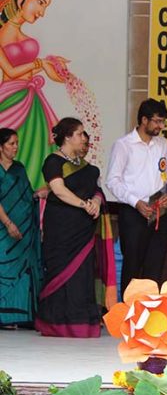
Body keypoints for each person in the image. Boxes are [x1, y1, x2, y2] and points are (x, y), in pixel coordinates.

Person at [35, 118, 103, 337]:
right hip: (61, 228)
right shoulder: (53, 162)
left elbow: (97, 190)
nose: (84, 137)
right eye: (80, 133)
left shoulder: (85, 166)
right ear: (67, 137)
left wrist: (96, 202)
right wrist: (85, 204)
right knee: (61, 271)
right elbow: (59, 190)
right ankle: (56, 323)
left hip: (83, 228)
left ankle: (82, 322)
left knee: (82, 275)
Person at [0, 0, 69, 190]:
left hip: (31, 100)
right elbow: (10, 72)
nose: (41, 12)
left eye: (45, 6)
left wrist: (49, 65)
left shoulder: (22, 33)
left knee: (38, 148)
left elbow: (27, 70)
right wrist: (40, 63)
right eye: (40, 3)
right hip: (10, 99)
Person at [106, 98, 167, 290]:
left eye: (163, 122)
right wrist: (135, 202)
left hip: (159, 213)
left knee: (155, 266)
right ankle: (130, 315)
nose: (160, 126)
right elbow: (112, 180)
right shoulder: (124, 145)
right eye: (157, 121)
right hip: (133, 213)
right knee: (132, 266)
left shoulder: (162, 144)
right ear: (144, 120)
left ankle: (149, 315)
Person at [0, 128, 42, 328]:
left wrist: (37, 195)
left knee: (22, 271)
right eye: (11, 144)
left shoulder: (19, 168)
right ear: (1, 147)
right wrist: (8, 224)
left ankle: (19, 316)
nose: (16, 147)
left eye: (17, 143)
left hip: (23, 230)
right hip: (3, 229)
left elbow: (25, 196)